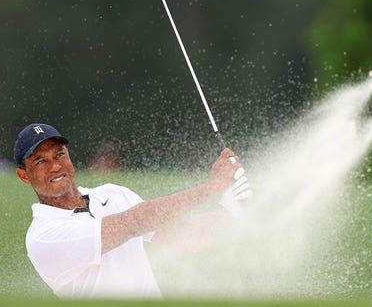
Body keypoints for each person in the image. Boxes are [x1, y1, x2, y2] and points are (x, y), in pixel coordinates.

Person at [14, 123, 251, 299]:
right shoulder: (43, 236)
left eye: (59, 155)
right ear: (24, 175)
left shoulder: (113, 194)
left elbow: (188, 235)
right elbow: (134, 222)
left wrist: (230, 207)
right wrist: (210, 187)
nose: (55, 166)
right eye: (40, 161)